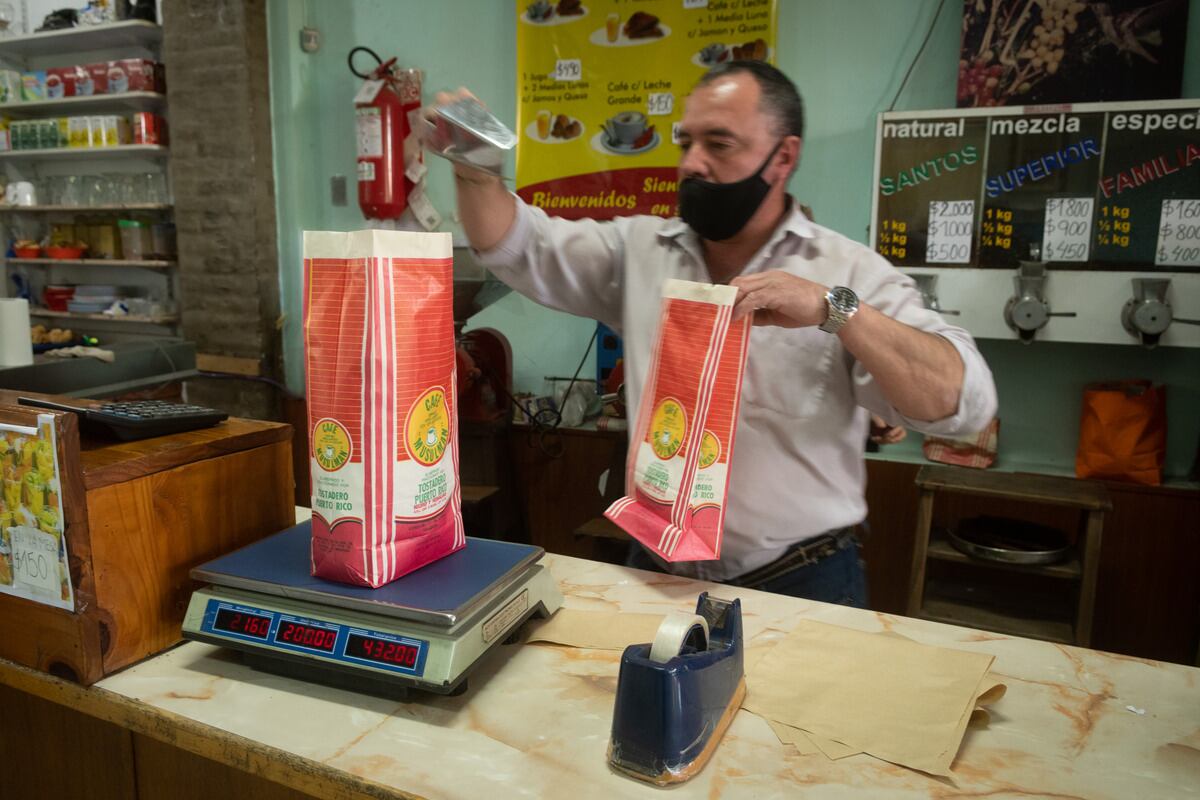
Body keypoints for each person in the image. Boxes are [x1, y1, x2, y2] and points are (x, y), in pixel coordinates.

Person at [441, 61, 997, 607]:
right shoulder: (640, 253)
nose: (693, 163)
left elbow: (962, 403)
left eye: (720, 144)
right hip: (657, 572)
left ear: (784, 157)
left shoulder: (846, 271)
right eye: (686, 143)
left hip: (801, 584)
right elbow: (516, 245)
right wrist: (474, 166)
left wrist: (834, 310)